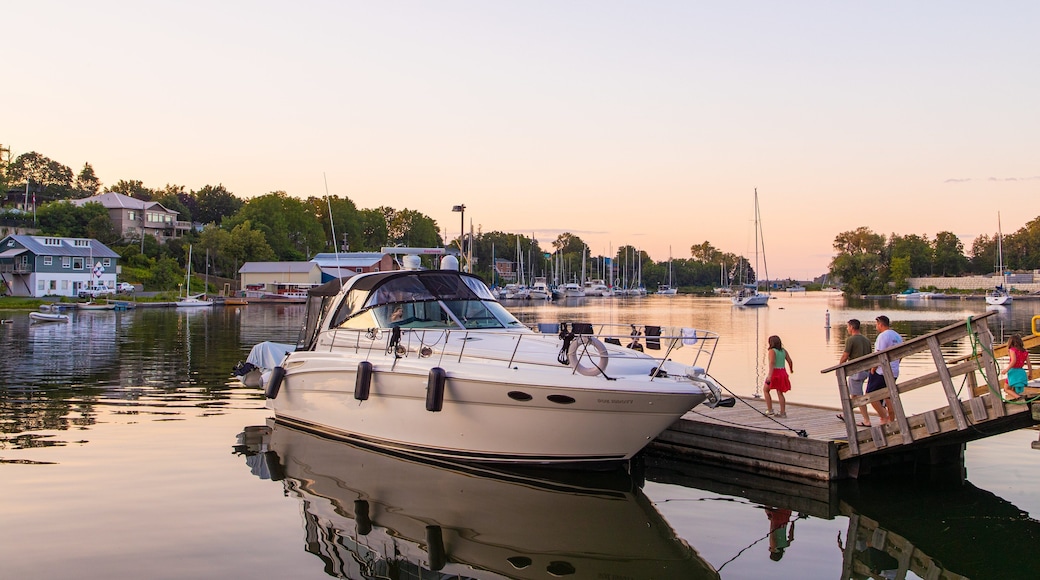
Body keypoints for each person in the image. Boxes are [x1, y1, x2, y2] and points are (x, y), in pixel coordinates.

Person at [866, 315, 902, 424]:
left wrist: (873, 368)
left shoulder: (883, 336)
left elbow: (879, 354)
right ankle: (891, 420)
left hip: (882, 371)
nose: (876, 327)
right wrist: (895, 364)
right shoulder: (897, 336)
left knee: (870, 395)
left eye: (876, 324)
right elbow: (901, 355)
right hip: (894, 370)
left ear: (880, 324)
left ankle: (884, 416)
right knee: (888, 396)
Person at [837, 319, 873, 427]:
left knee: (858, 397)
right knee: (854, 394)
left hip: (856, 371)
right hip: (865, 371)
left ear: (852, 327)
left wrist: (839, 367)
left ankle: (866, 420)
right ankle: (846, 414)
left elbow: (845, 355)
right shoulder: (866, 340)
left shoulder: (851, 340)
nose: (847, 329)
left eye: (848, 327)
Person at [764, 335, 794, 418]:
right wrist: (791, 369)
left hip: (775, 373)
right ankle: (783, 412)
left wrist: (769, 375)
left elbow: (772, 362)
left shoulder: (772, 351)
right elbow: (790, 361)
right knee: (780, 393)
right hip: (783, 372)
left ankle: (770, 410)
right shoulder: (783, 351)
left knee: (766, 390)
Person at [1000, 334, 1033, 400]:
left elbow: (1013, 361)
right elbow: (1029, 364)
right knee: (1013, 388)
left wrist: (1006, 370)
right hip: (1021, 372)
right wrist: (1030, 374)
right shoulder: (1025, 352)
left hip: (1013, 372)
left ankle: (1018, 397)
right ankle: (1017, 398)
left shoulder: (1012, 350)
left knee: (1006, 388)